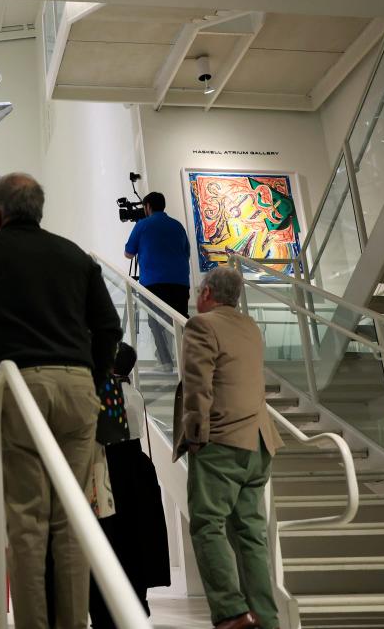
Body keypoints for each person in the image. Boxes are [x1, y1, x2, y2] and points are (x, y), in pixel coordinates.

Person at [0, 173, 122, 629]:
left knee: (27, 523)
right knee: (72, 518)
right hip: (79, 388)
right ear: (39, 210)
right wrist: (93, 381)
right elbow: (109, 327)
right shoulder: (75, 256)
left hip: (21, 387)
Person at [174, 268, 285, 629]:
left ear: (206, 292)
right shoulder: (250, 327)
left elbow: (198, 385)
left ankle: (231, 613)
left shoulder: (201, 326)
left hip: (222, 442)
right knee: (251, 534)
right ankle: (266, 618)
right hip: (258, 443)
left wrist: (194, 433)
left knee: (207, 524)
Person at [88, 343, 170, 626]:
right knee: (138, 538)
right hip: (137, 467)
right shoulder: (133, 393)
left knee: (115, 538)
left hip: (113, 467)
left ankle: (112, 603)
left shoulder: (108, 395)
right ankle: (137, 600)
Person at [123, 191, 191, 373]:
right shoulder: (177, 226)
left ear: (148, 207)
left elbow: (129, 253)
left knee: (156, 322)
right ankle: (192, 362)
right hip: (181, 282)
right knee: (181, 320)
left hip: (154, 282)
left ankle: (165, 362)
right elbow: (187, 252)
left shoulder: (143, 225)